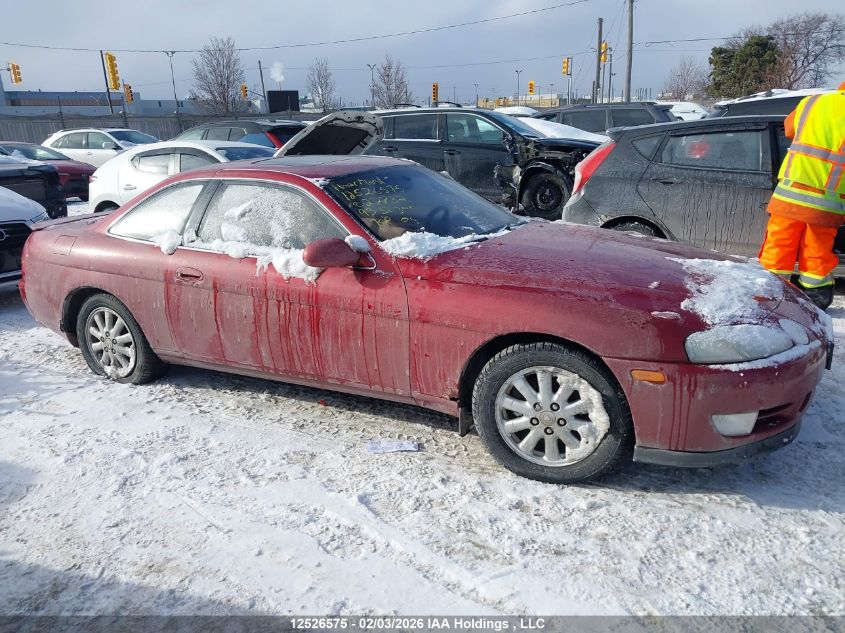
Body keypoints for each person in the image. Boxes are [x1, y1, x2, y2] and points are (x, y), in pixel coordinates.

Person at [758, 82, 845, 310]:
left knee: (779, 244)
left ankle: (770, 294)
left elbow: (788, 130)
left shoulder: (813, 101)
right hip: (828, 200)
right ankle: (816, 297)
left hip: (791, 191)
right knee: (817, 250)